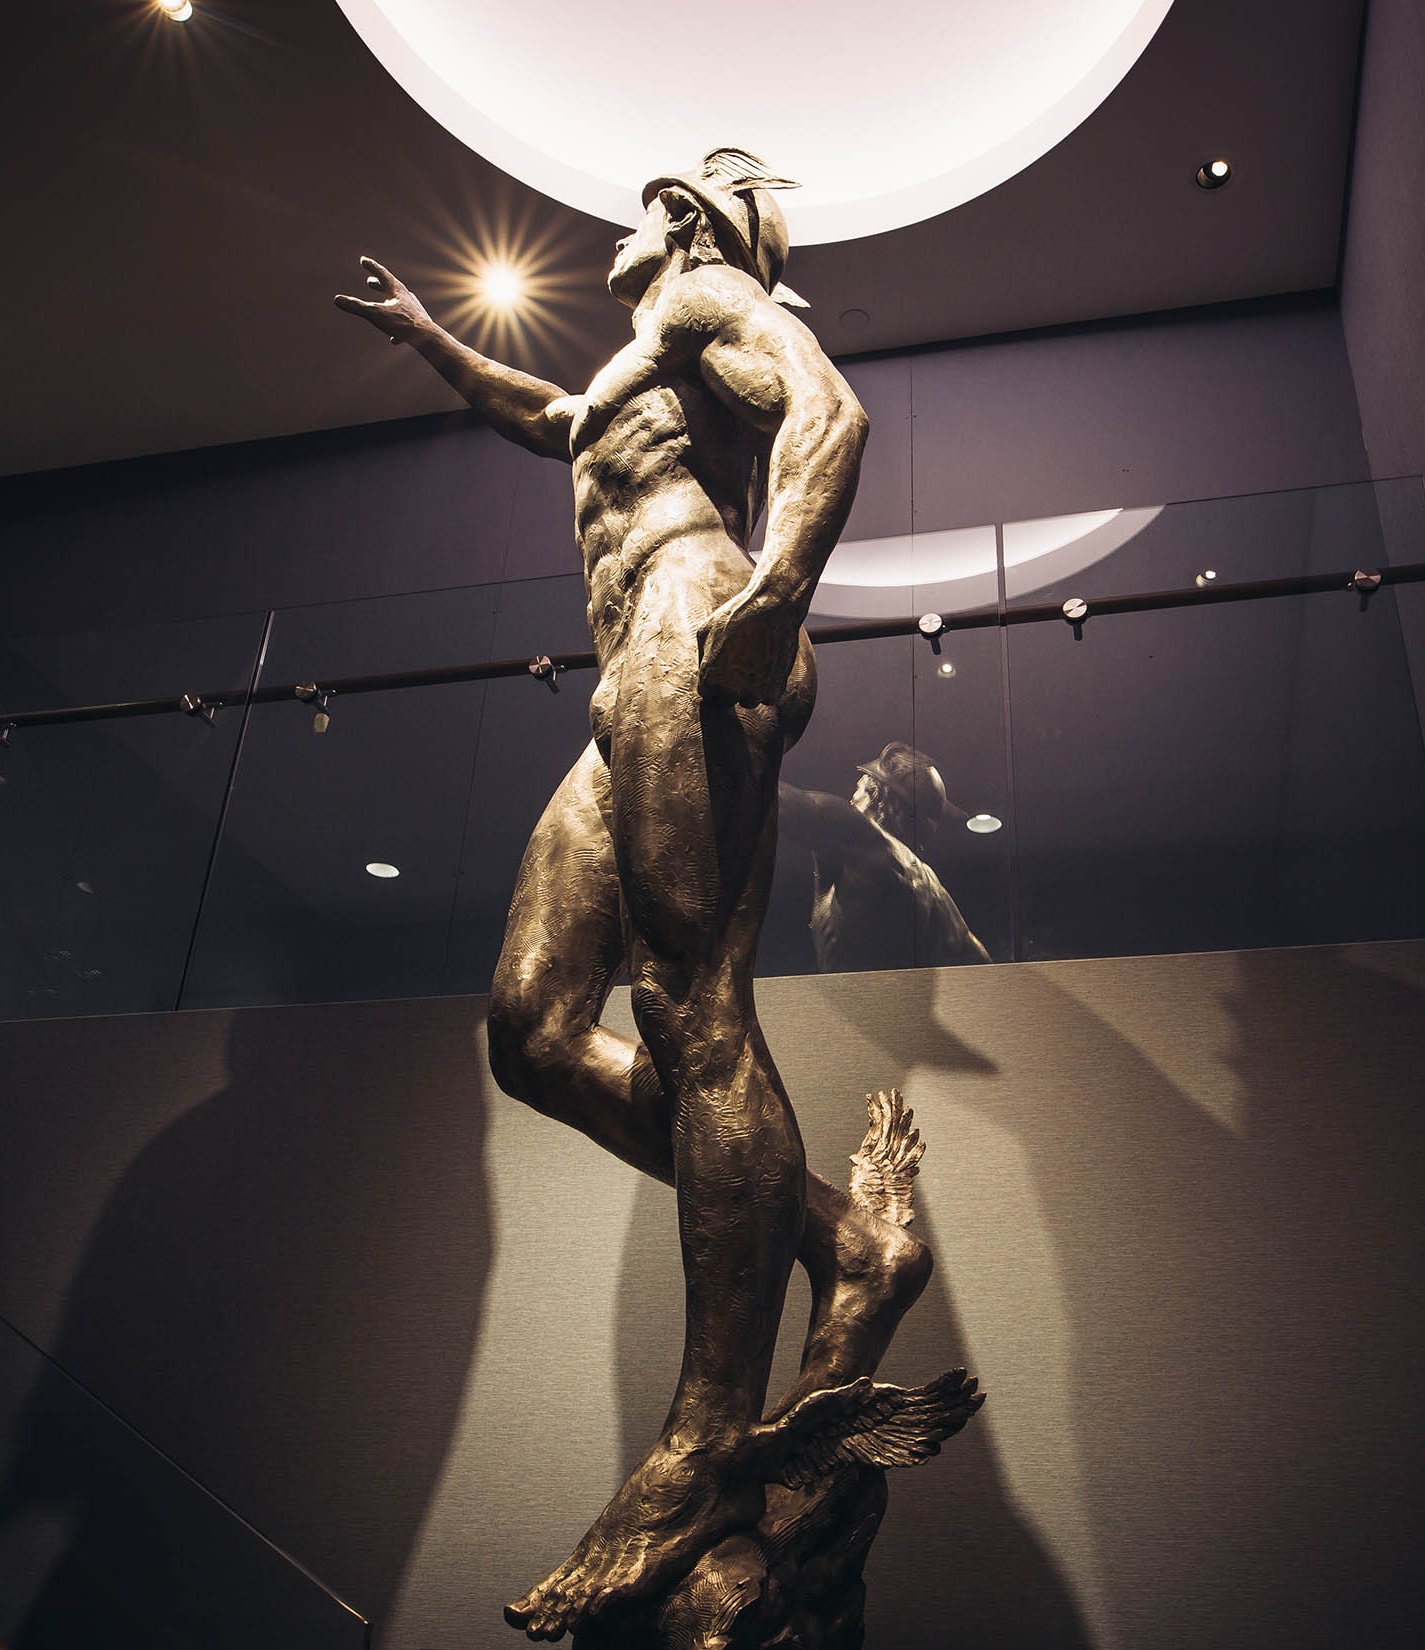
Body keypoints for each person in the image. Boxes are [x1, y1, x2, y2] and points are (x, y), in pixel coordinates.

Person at [338, 149, 956, 1641]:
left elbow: (831, 408)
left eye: (639, 209)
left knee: (692, 1005)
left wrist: (781, 586)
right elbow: (549, 417)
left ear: (684, 217)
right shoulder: (637, 362)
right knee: (535, 1026)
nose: (619, 235)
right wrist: (433, 343)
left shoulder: (701, 292)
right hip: (639, 662)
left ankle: (705, 1438)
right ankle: (849, 1239)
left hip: (699, 621)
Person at [780, 741, 993, 972]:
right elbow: (980, 962)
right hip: (898, 1004)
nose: (852, 797)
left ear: (879, 798)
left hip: (854, 1003)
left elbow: (780, 802)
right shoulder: (932, 887)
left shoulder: (863, 839)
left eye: (860, 787)